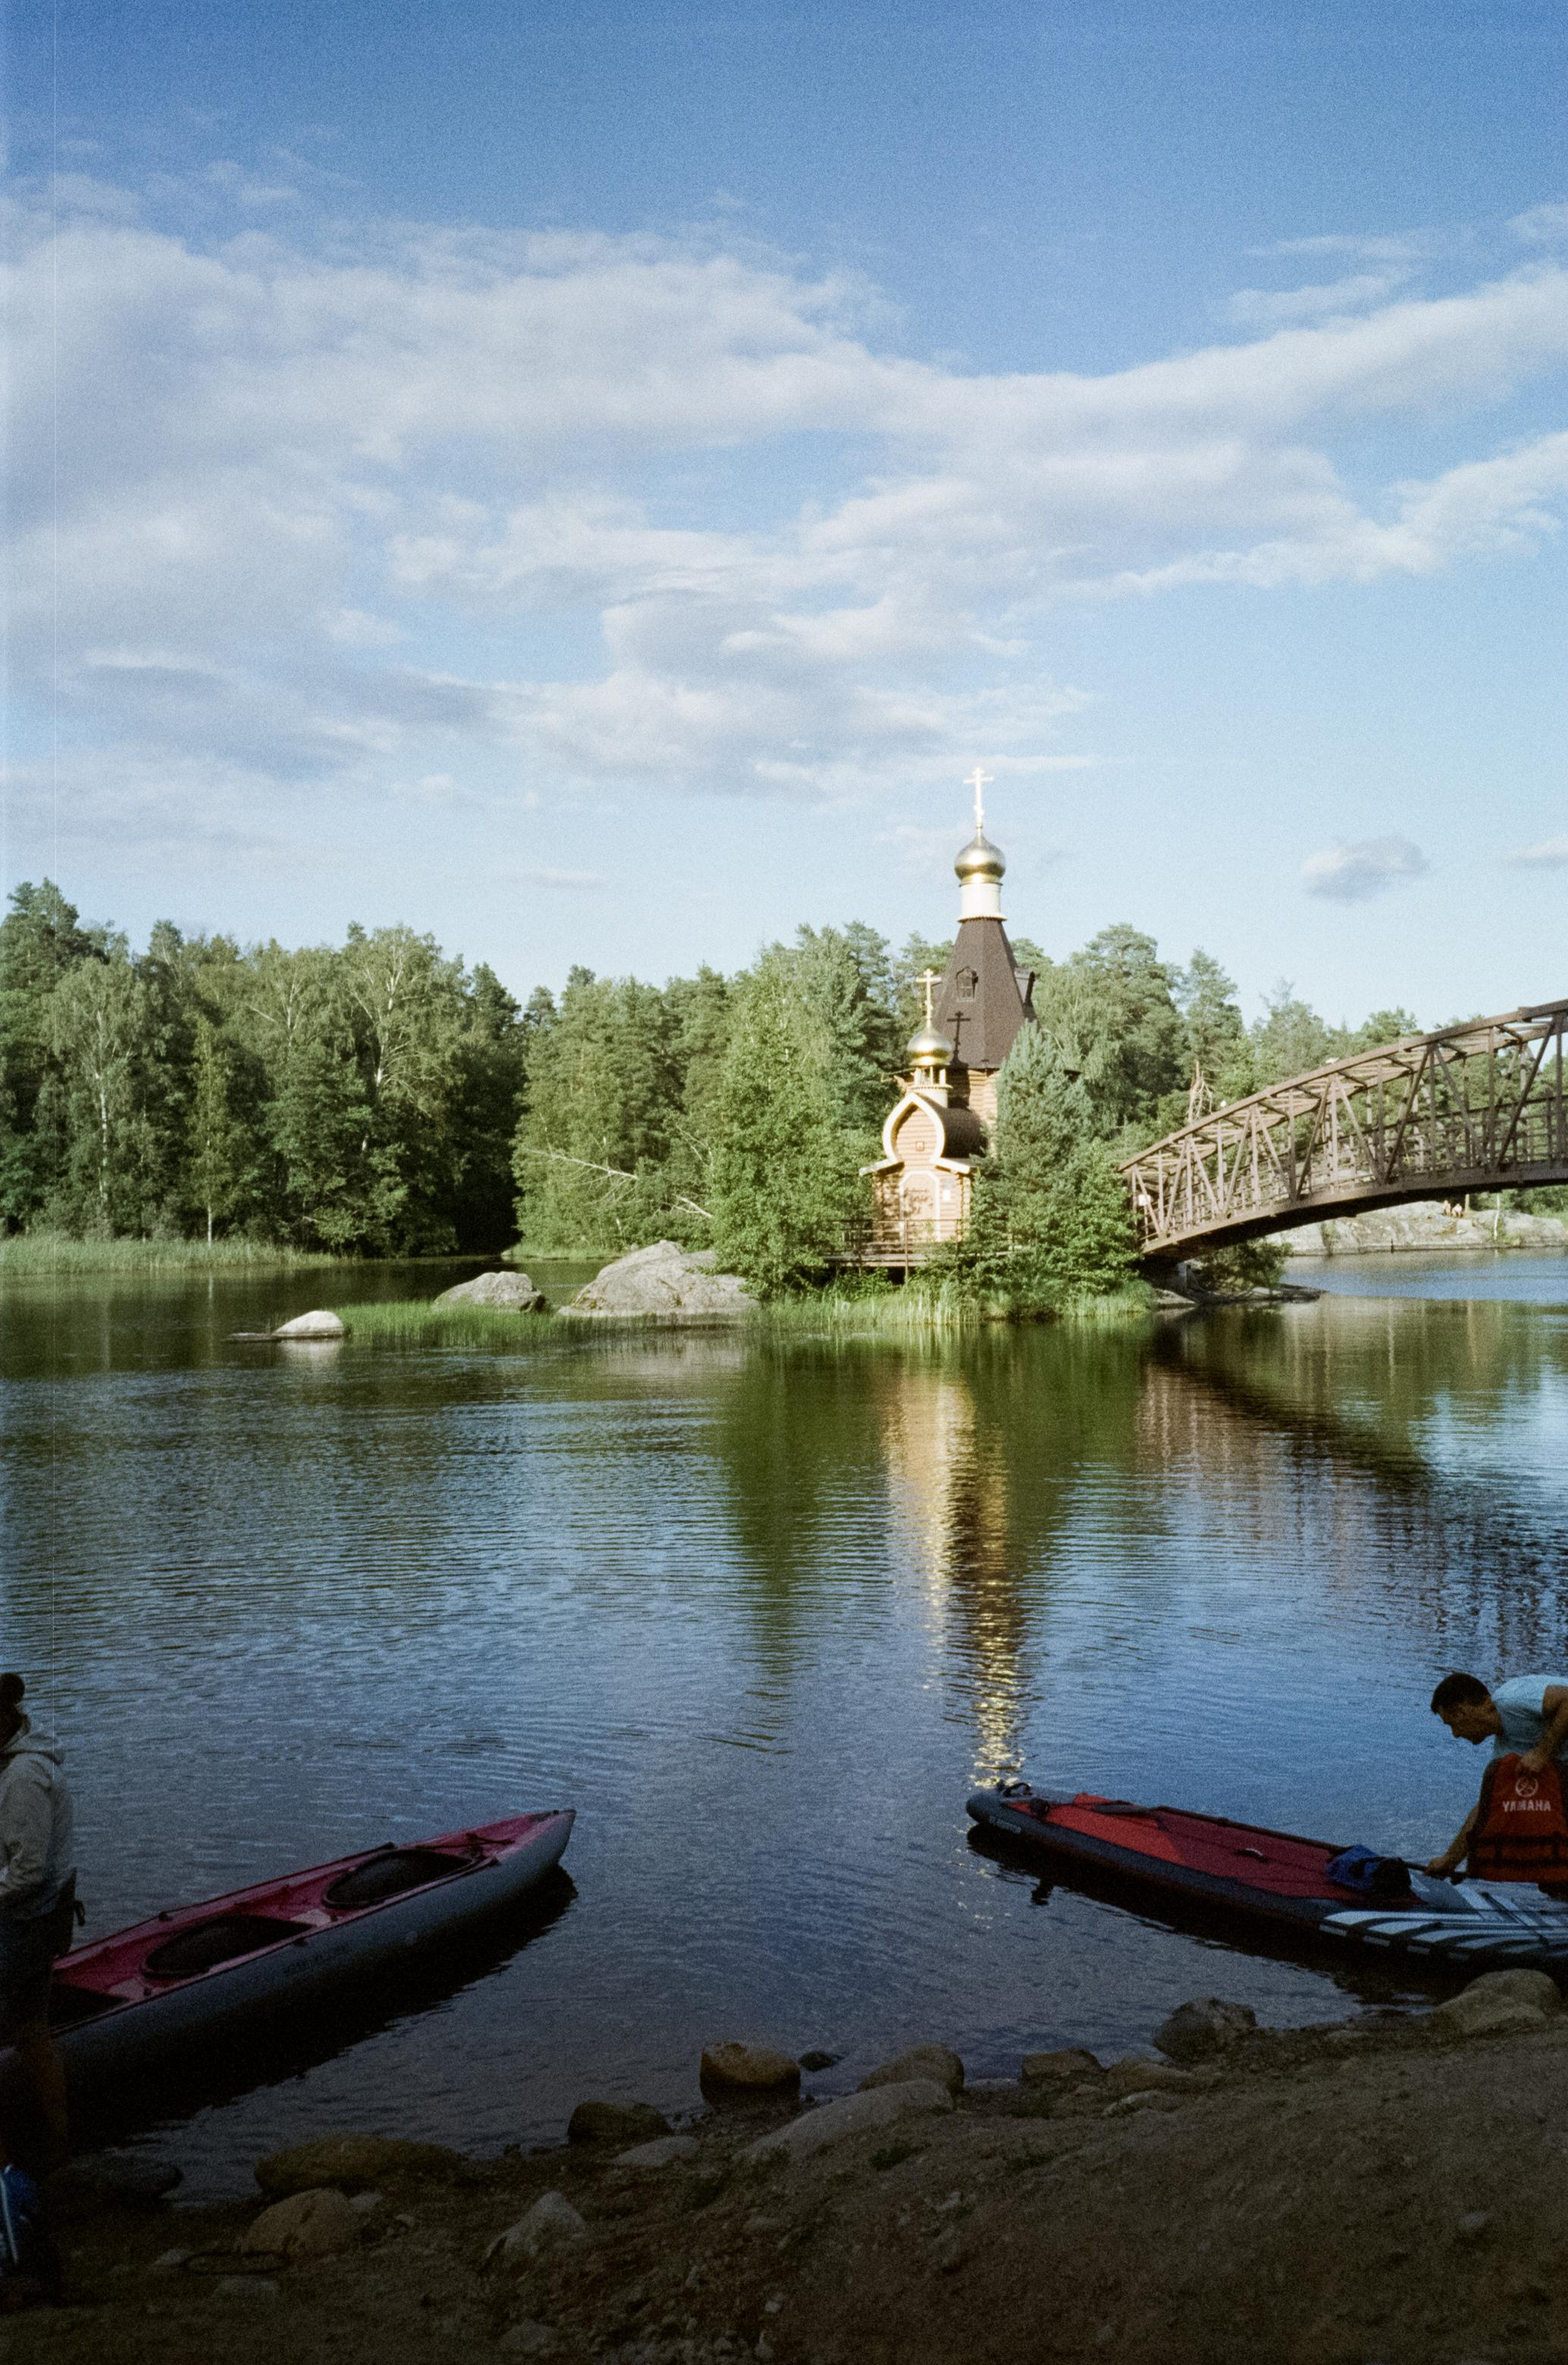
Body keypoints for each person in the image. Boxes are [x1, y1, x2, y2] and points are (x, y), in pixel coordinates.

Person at [0, 1673, 75, 2198]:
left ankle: (45, 2148)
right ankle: (55, 2138)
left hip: (27, 1923)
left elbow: (26, 1872)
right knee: (32, 2030)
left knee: (29, 2028)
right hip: (31, 1916)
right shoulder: (13, 1763)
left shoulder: (24, 1775)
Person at [1425, 1670, 1568, 1878]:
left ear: (1463, 1712)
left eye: (1452, 1725)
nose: (1455, 1734)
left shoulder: (1513, 1699)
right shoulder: (1505, 1752)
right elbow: (1487, 1808)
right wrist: (1451, 1860)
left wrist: (1542, 1753)